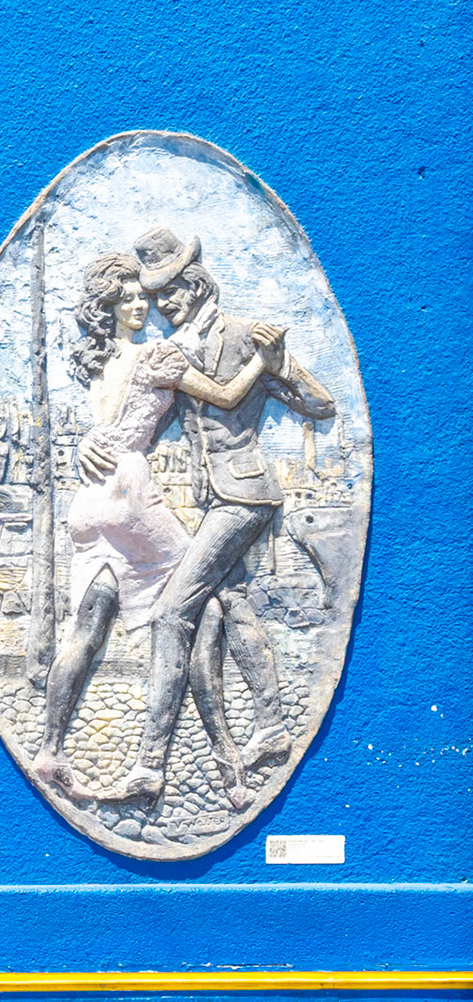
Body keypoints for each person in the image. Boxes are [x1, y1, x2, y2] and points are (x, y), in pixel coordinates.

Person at [91, 230, 335, 803]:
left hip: (246, 494)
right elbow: (138, 423)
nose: (162, 305)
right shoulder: (173, 348)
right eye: (156, 296)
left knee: (171, 612)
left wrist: (279, 363)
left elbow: (321, 404)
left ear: (197, 284)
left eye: (170, 292)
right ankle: (271, 726)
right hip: (213, 499)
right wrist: (92, 443)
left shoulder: (246, 335)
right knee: (237, 603)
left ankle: (150, 763)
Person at [32, 252, 279, 806]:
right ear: (110, 308)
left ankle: (50, 750)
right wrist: (263, 362)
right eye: (129, 299)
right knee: (203, 606)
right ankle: (227, 765)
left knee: (86, 630)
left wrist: (86, 444)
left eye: (143, 296)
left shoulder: (96, 359)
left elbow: (101, 427)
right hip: (129, 491)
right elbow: (226, 395)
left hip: (89, 501)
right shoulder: (157, 354)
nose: (142, 306)